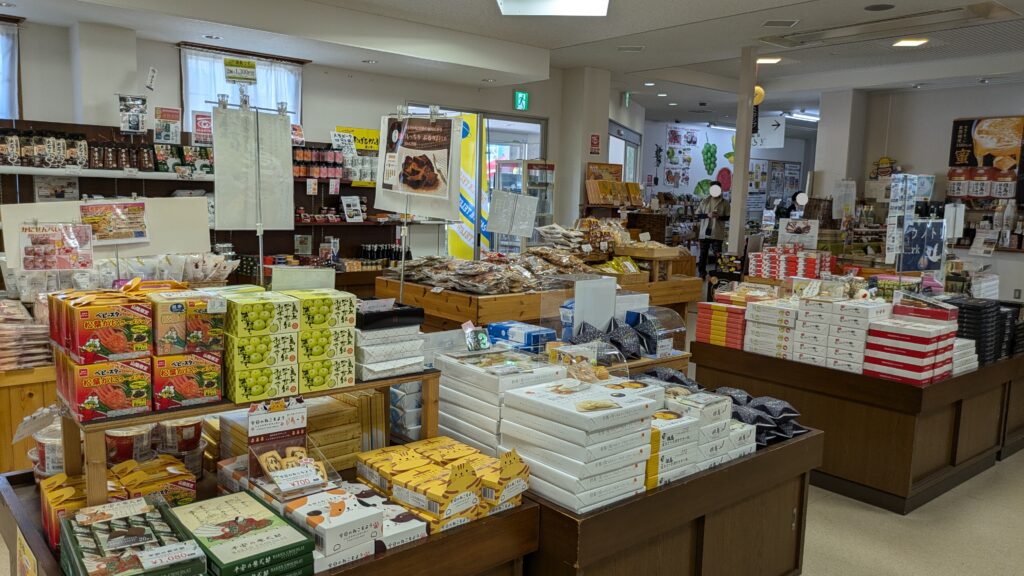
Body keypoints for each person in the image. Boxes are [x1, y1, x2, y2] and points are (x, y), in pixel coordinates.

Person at [697, 181, 729, 278]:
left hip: (717, 232)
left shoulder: (725, 203)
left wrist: (718, 217)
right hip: (704, 232)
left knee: (717, 254)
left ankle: (718, 273)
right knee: (703, 254)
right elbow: (698, 215)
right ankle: (701, 273)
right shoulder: (704, 201)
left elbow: (727, 217)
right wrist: (708, 215)